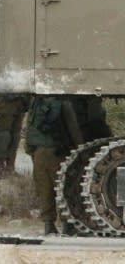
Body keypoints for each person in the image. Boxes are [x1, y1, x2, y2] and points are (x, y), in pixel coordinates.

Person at [25, 95, 84, 235]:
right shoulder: (64, 104)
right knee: (64, 187)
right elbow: (73, 128)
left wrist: (30, 150)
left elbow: (29, 127)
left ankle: (48, 223)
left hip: (39, 152)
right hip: (58, 152)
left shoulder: (35, 102)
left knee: (44, 188)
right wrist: (81, 149)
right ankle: (67, 223)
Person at [0, 93, 30, 179]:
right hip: (6, 98)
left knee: (15, 134)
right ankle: (1, 170)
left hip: (21, 98)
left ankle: (10, 169)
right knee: (3, 134)